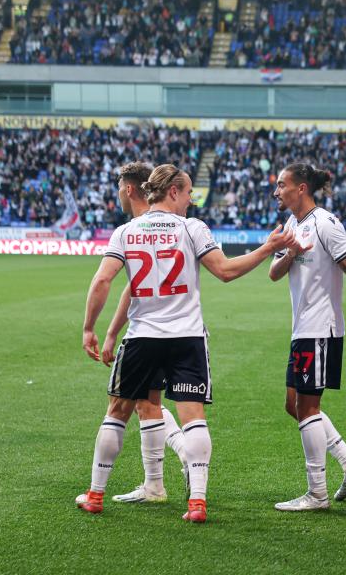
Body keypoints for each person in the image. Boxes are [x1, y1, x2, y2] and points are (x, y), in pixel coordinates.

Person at [78, 164, 301, 523]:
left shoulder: (126, 232)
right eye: (187, 194)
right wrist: (268, 248)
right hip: (186, 337)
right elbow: (225, 271)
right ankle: (197, 503)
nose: (190, 201)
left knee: (117, 412)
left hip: (142, 336)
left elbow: (103, 280)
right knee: (193, 416)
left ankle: (95, 495)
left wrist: (90, 327)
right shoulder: (192, 228)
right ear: (173, 192)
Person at [268, 164, 346, 511]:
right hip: (302, 329)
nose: (276, 191)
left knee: (307, 407)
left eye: (281, 185)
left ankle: (317, 494)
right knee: (293, 404)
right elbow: (273, 273)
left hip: (321, 329)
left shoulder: (325, 223)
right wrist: (290, 252)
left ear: (301, 188)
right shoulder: (291, 225)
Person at [90, 162, 190, 505]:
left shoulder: (134, 230)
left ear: (130, 189)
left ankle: (182, 456)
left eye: (120, 188)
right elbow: (134, 288)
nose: (118, 194)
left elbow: (112, 282)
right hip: (180, 331)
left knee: (124, 404)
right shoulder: (175, 225)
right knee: (148, 403)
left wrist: (97, 330)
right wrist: (111, 333)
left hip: (147, 333)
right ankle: (155, 485)